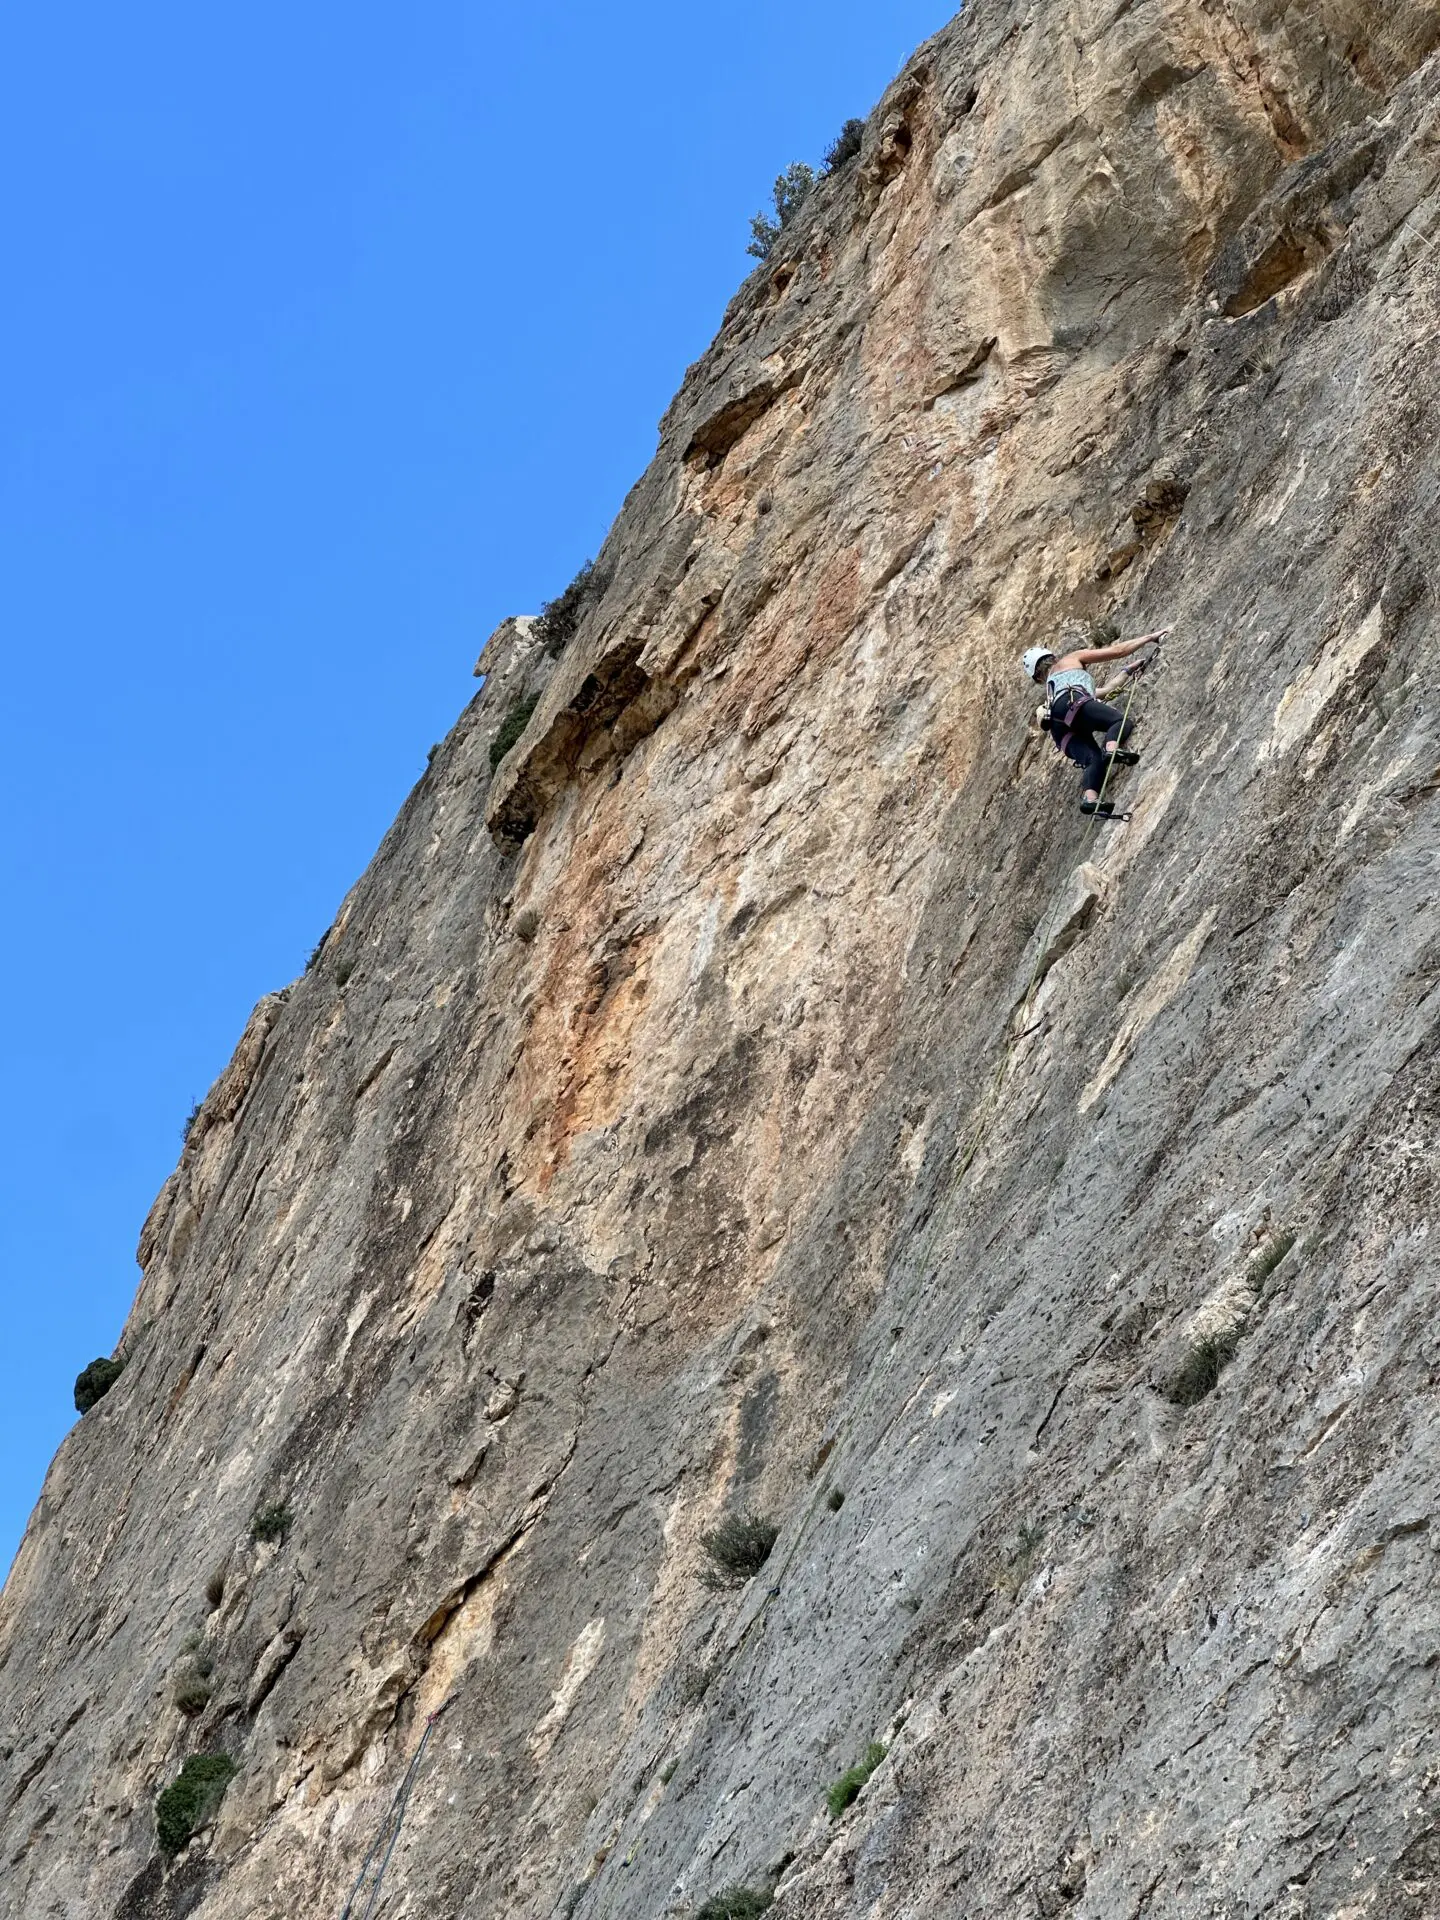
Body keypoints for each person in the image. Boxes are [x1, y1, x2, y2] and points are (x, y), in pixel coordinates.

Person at [1021, 626, 1173, 815]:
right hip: (1073, 702)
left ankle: (1090, 798)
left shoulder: (1053, 688)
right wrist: (1151, 637)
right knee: (1119, 721)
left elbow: (1104, 691)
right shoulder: (1070, 659)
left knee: (1094, 759)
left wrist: (1127, 671)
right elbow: (1117, 651)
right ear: (1053, 658)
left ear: (1037, 677)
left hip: (1060, 726)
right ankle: (1111, 749)